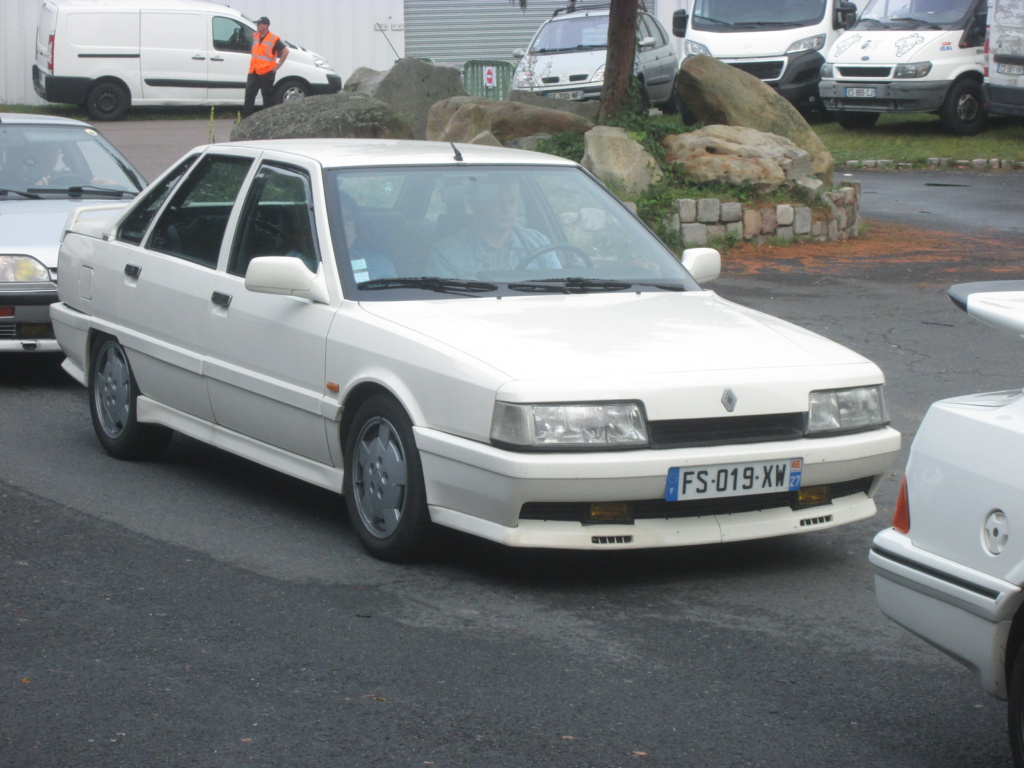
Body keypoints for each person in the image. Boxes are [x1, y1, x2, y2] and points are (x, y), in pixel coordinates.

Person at [426, 176, 555, 278]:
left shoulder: (539, 244)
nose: (507, 209)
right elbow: (441, 306)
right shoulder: (447, 253)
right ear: (476, 205)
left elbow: (561, 290)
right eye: (497, 201)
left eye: (512, 201)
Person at [339, 192, 396, 283]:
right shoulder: (311, 272)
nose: (344, 227)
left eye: (348, 218)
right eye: (337, 220)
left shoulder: (382, 265)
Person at [242, 16, 289, 119]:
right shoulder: (255, 36)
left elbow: (285, 51)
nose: (257, 26)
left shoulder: (273, 38)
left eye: (260, 24)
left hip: (267, 72)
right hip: (254, 70)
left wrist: (278, 65)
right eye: (257, 24)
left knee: (267, 98)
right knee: (249, 96)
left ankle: (267, 120)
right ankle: (245, 120)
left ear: (266, 26)